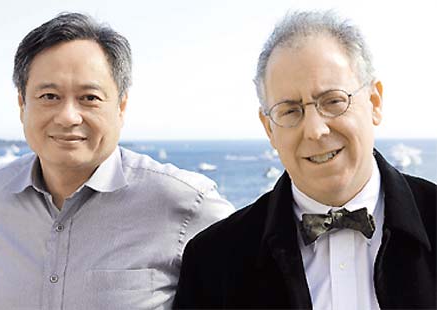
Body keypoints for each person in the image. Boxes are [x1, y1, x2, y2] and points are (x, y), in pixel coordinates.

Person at [174, 10, 436, 309]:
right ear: (268, 127)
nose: (314, 130)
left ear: (374, 102)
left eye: (333, 101)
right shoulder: (212, 262)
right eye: (290, 110)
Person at [0, 12, 234, 310]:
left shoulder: (187, 204)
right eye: (49, 96)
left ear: (121, 106)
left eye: (89, 98)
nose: (68, 117)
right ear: (22, 104)